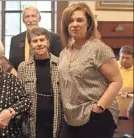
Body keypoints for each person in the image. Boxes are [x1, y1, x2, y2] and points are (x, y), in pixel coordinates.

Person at [59, 3, 123, 137]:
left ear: (89, 23)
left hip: (95, 117)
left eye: (79, 20)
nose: (74, 24)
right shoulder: (64, 52)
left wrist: (98, 108)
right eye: (70, 21)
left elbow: (117, 81)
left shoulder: (99, 49)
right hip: (70, 118)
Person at [18, 27, 62, 138]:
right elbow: (20, 96)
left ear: (48, 42)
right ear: (30, 44)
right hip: (33, 121)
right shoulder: (23, 67)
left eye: (42, 40)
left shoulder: (61, 64)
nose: (39, 44)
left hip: (57, 120)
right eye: (35, 41)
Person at [9, 6, 62, 70]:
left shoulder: (54, 38)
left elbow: (59, 62)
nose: (30, 20)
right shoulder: (15, 40)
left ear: (39, 19)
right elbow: (11, 63)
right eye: (27, 17)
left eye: (33, 16)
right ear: (23, 20)